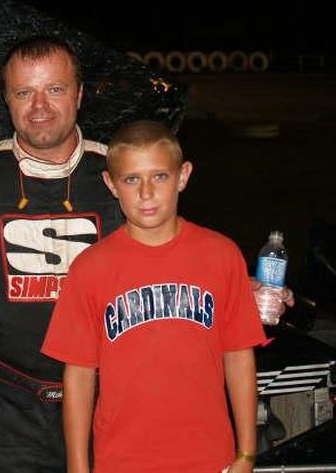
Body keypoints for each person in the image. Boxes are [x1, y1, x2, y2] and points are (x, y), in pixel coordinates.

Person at [0, 36, 125, 472]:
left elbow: (173, 258)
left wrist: (234, 285)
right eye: (24, 92)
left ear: (79, 95)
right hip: (10, 411)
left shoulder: (123, 173)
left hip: (115, 402)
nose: (39, 106)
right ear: (6, 99)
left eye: (55, 89)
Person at [42, 120, 265, 473]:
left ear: (183, 175)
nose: (146, 193)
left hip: (208, 458)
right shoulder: (90, 268)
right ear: (111, 184)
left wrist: (247, 454)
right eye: (132, 179)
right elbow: (79, 376)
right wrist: (78, 467)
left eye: (159, 176)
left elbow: (238, 356)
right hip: (122, 461)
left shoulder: (221, 255)